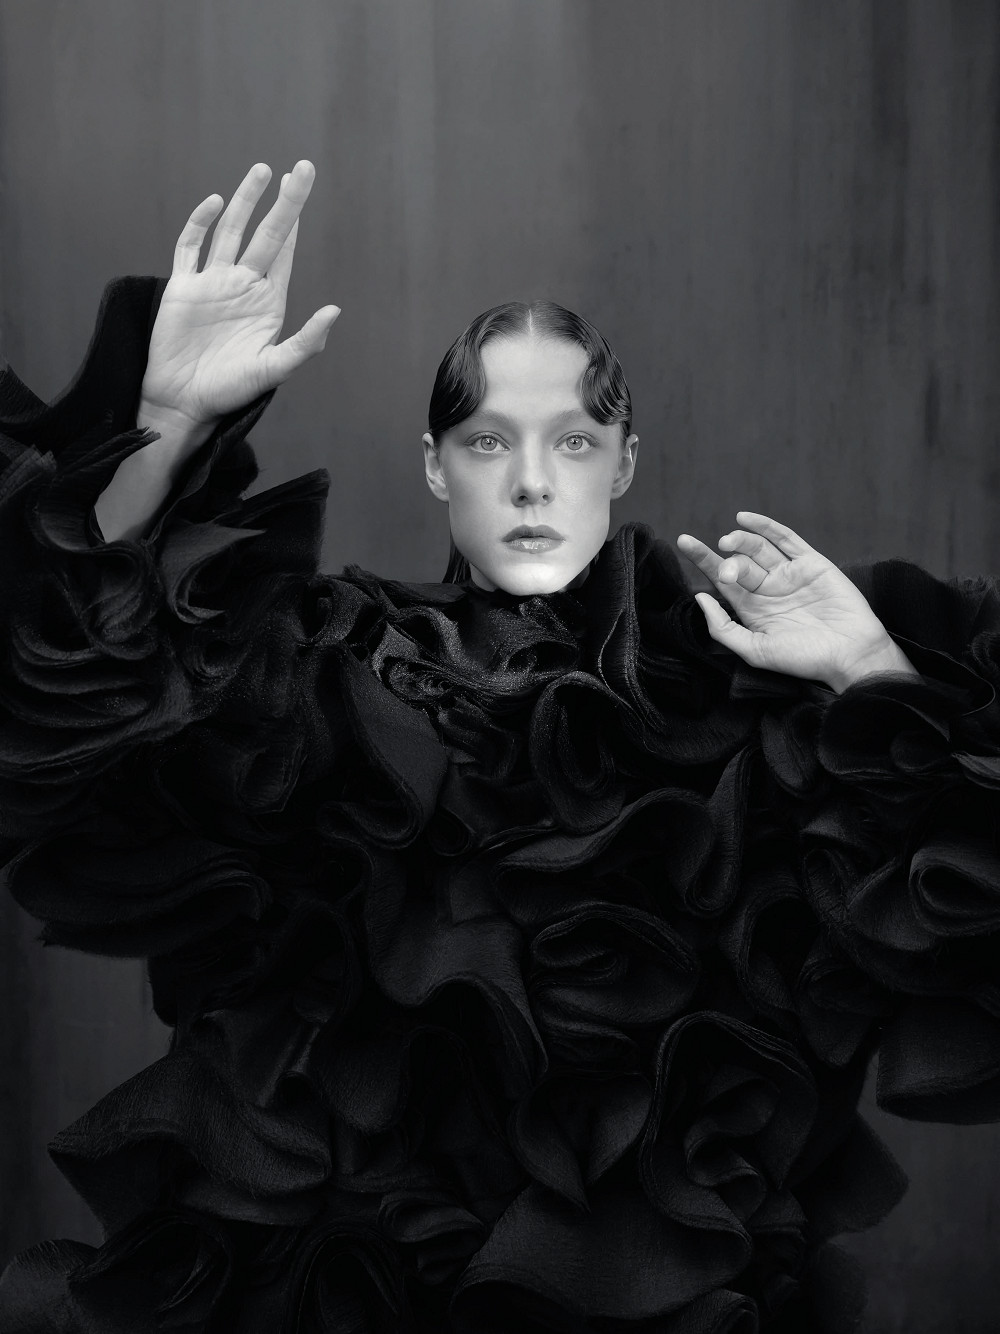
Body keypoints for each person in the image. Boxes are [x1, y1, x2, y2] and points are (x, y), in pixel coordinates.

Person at [0, 160, 998, 1332]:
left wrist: (866, 672)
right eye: (486, 441)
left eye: (571, 442)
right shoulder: (332, 673)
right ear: (434, 464)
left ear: (624, 461)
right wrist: (168, 427)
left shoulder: (739, 704)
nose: (529, 482)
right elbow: (77, 721)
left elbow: (954, 938)